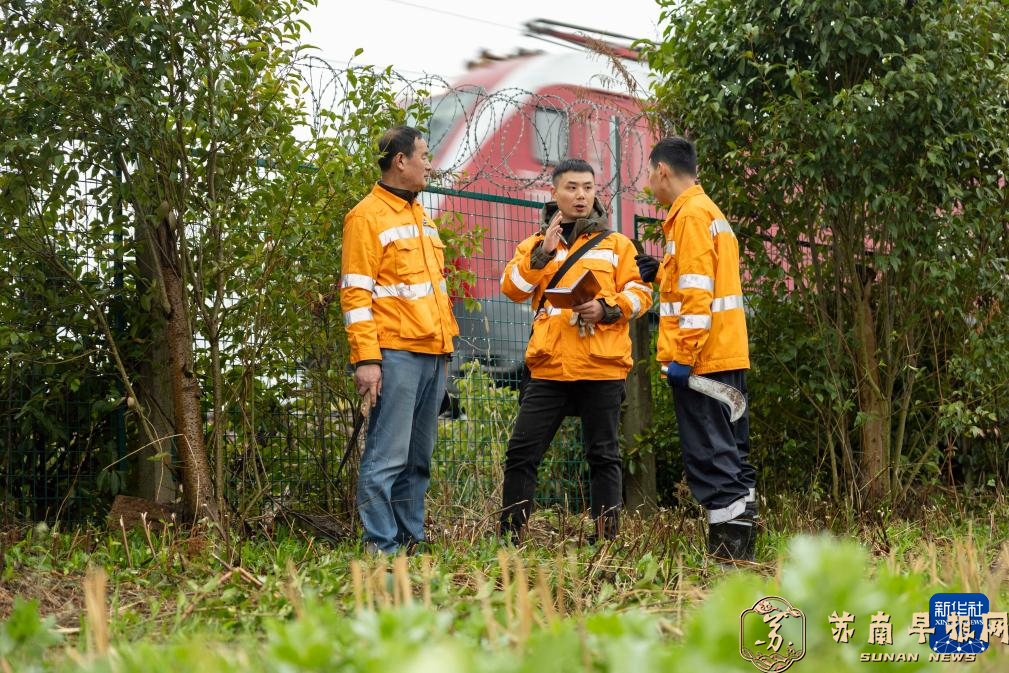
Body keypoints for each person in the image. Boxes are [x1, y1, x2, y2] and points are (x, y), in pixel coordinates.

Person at [499, 158, 653, 542]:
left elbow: (641, 293)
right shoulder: (535, 245)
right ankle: (508, 539)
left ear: (594, 192)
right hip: (550, 366)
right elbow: (512, 288)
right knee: (521, 451)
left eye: (587, 187)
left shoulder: (619, 245)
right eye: (571, 187)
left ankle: (605, 542)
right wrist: (542, 256)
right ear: (555, 193)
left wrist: (606, 308)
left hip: (601, 365)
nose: (580, 195)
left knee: (604, 457)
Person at [635, 136, 757, 562]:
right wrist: (659, 274)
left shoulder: (687, 217)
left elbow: (697, 295)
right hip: (726, 354)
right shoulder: (708, 213)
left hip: (702, 362)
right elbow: (696, 281)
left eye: (650, 174)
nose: (650, 184)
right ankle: (741, 549)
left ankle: (730, 557)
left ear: (663, 170)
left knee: (711, 456)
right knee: (732, 452)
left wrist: (683, 358)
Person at [339, 125, 458, 554]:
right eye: (424, 155)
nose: (429, 164)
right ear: (400, 161)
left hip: (434, 352)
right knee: (386, 459)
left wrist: (446, 347)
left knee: (418, 461)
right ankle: (381, 548)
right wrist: (366, 360)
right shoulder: (365, 216)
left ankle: (412, 543)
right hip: (396, 354)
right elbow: (354, 294)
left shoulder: (421, 216)